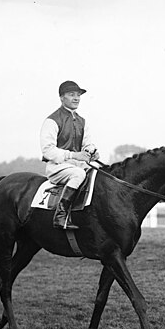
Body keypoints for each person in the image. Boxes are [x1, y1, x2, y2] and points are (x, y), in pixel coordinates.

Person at [40, 80, 101, 229]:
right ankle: (60, 215)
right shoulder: (52, 120)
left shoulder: (82, 121)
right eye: (71, 94)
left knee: (99, 173)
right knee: (78, 175)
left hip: (77, 165)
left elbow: (87, 143)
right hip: (57, 167)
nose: (76, 98)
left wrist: (91, 151)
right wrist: (74, 156)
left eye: (78, 95)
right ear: (62, 97)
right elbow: (47, 150)